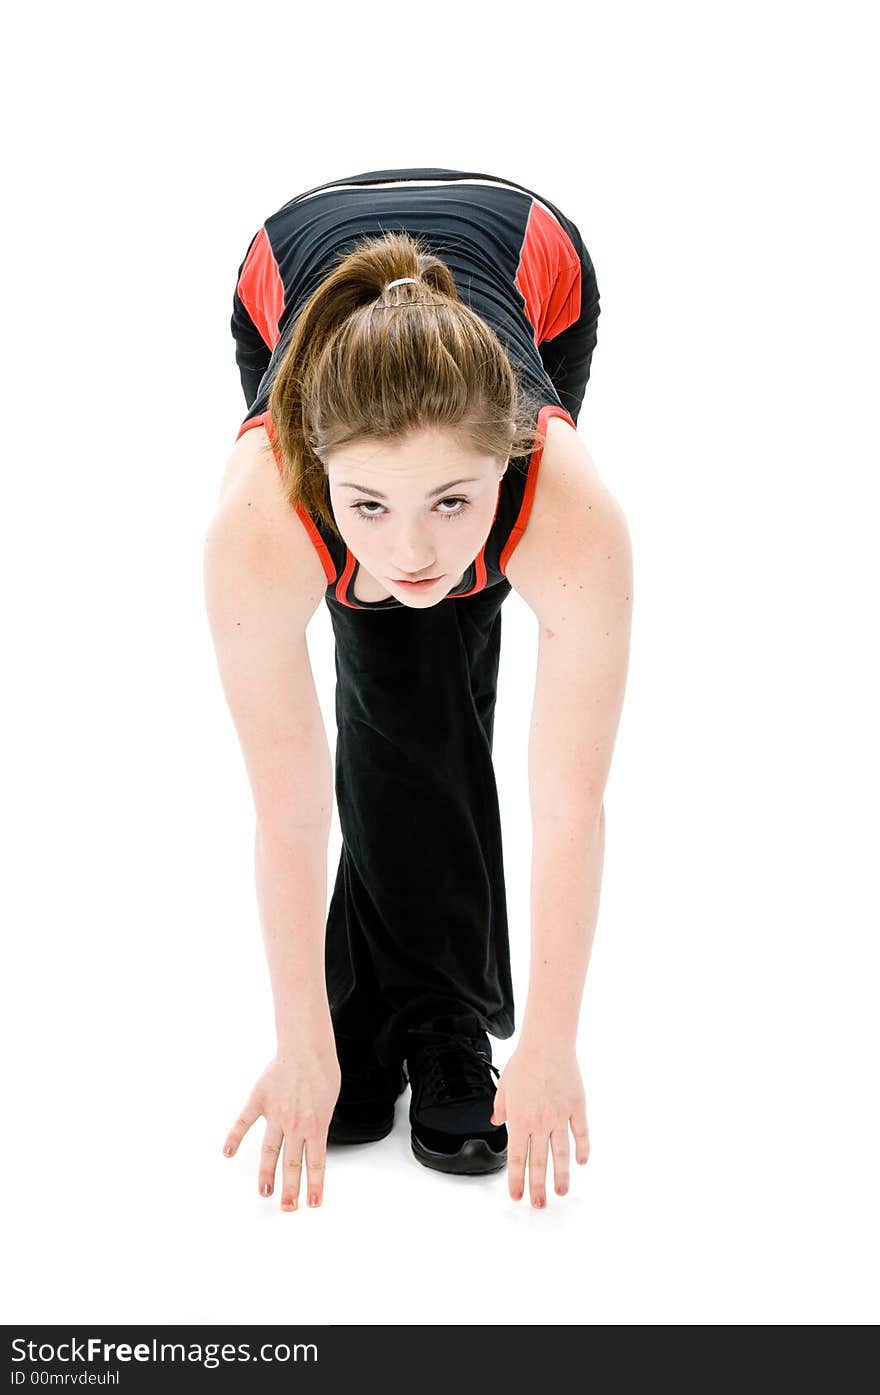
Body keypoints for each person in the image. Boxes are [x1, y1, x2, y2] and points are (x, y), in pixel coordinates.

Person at [204, 166, 632, 1212]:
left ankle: (412, 1015)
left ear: (512, 458)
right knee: (396, 647)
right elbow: (290, 815)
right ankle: (417, 1016)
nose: (410, 548)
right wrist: (300, 1041)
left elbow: (568, 804)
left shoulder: (570, 510)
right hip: (286, 265)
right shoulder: (258, 526)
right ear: (315, 467)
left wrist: (551, 1046)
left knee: (432, 642)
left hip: (538, 260)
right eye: (367, 505)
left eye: (453, 499)